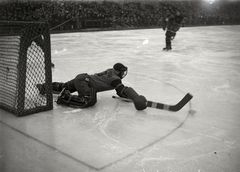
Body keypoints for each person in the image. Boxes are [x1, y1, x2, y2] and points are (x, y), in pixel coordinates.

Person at [37, 63, 147, 110]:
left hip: (82, 78)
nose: (123, 74)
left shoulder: (110, 70)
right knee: (89, 100)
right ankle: (64, 97)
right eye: (122, 72)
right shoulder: (115, 79)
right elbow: (120, 89)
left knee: (64, 86)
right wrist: (134, 97)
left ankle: (44, 87)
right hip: (84, 83)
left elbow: (118, 89)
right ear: (117, 71)